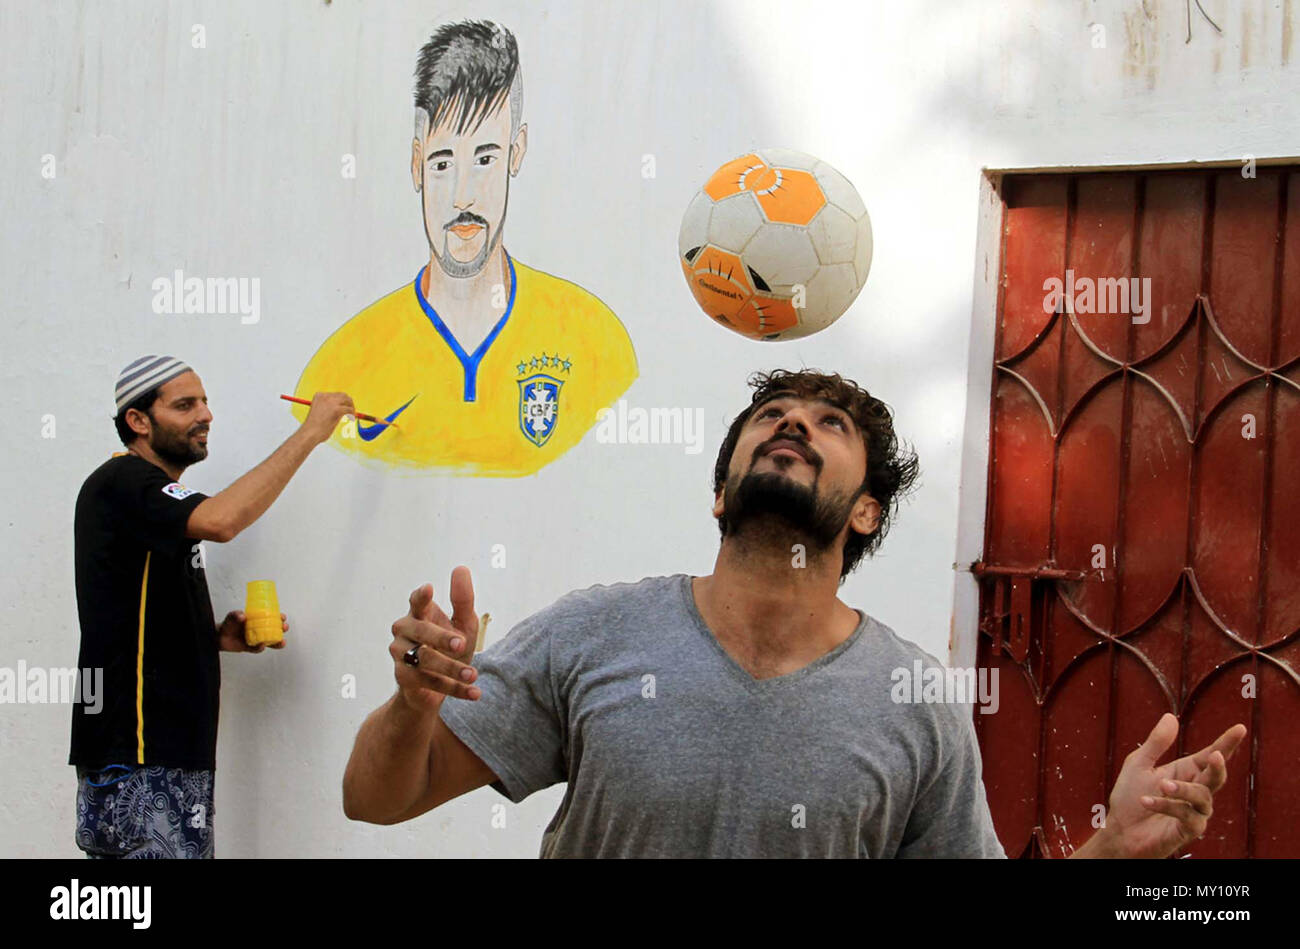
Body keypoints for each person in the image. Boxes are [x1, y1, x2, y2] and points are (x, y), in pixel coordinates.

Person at [342, 368, 1247, 857]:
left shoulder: (913, 700)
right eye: (771, 415)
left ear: (865, 513)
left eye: (829, 426)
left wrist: (1115, 851)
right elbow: (374, 799)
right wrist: (413, 706)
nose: (792, 425)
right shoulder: (594, 632)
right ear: (720, 493)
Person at [292, 19, 637, 476]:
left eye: (484, 159)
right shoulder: (341, 366)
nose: (463, 196)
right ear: (416, 165)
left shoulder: (595, 339)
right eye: (442, 163)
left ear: (517, 153)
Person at [71, 355, 353, 858]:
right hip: (139, 755)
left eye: (204, 401)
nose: (205, 414)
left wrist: (212, 637)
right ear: (138, 421)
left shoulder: (153, 500)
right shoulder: (127, 483)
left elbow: (130, 613)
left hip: (165, 754)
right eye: (184, 405)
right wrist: (311, 433)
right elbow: (223, 521)